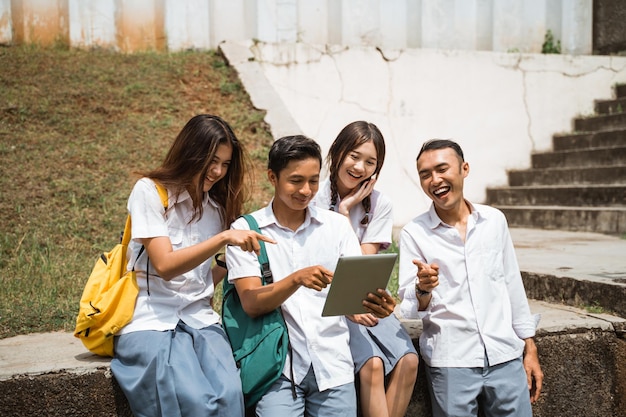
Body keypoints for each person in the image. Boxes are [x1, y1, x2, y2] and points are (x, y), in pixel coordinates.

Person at [110, 114, 274, 417]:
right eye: (212, 161)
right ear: (190, 152)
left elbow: (199, 280)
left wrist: (228, 263)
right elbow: (165, 266)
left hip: (199, 318)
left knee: (229, 395)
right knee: (191, 400)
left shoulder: (217, 205)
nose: (217, 171)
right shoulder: (149, 192)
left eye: (225, 164)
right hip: (150, 318)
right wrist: (224, 237)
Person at [225, 135, 397, 417]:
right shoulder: (247, 230)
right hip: (278, 370)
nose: (306, 190)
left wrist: (378, 303)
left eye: (313, 181)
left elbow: (355, 299)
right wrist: (296, 279)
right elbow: (252, 303)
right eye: (296, 180)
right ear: (273, 177)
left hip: (333, 366)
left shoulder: (337, 227)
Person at [398, 139, 544, 417]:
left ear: (464, 169)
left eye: (442, 169)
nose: (435, 180)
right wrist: (423, 289)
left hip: (505, 357)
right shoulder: (414, 233)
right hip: (452, 361)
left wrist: (530, 347)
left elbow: (511, 283)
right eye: (425, 174)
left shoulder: (494, 221)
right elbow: (408, 307)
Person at [311, 121, 418, 417]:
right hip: (329, 301)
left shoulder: (380, 204)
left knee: (409, 361)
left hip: (364, 298)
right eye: (354, 156)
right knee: (372, 365)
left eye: (370, 162)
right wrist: (344, 210)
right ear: (338, 152)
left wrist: (347, 211)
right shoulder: (314, 198)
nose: (360, 167)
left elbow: (360, 266)